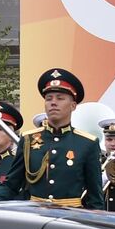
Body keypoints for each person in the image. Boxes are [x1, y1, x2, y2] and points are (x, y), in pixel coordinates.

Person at [23, 69, 103, 208]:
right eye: (49, 99)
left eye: (60, 98)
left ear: (73, 105)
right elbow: (11, 185)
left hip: (71, 216)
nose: (53, 103)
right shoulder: (28, 139)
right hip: (35, 215)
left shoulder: (87, 143)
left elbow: (95, 197)